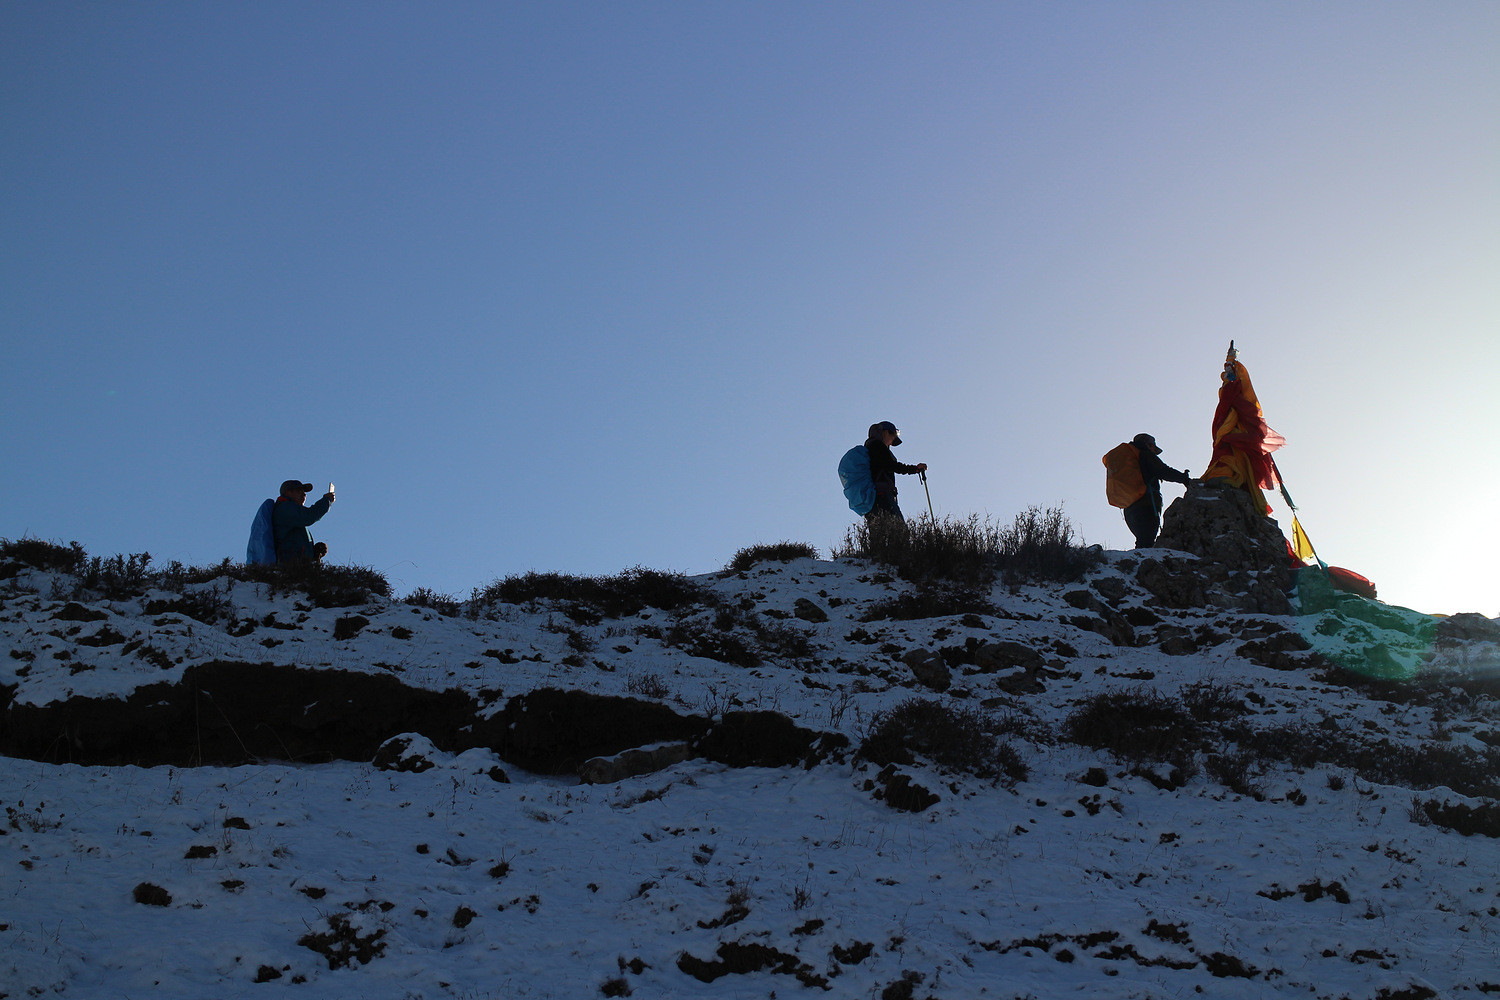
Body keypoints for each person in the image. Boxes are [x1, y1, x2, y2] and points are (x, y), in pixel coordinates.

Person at [1122, 434, 1193, 548]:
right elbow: (1163, 471)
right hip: (1145, 503)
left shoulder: (1128, 459)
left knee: (1143, 538)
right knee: (1147, 538)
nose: (1154, 451)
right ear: (1148, 445)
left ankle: (1140, 561)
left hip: (1128, 506)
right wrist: (1184, 479)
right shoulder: (1145, 454)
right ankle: (1144, 563)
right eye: (1153, 448)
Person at [864, 421, 927, 521]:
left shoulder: (870, 447)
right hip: (882, 495)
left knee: (880, 532)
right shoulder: (877, 446)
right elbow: (892, 466)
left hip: (873, 499)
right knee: (899, 530)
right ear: (885, 432)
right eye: (893, 436)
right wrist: (914, 469)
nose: (892, 441)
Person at [272, 479, 335, 564]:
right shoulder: (285, 508)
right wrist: (326, 501)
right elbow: (310, 516)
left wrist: (314, 554)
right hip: (289, 566)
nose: (304, 494)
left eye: (304, 492)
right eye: (299, 491)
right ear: (288, 493)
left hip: (294, 566)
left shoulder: (290, 510)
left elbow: (295, 541)